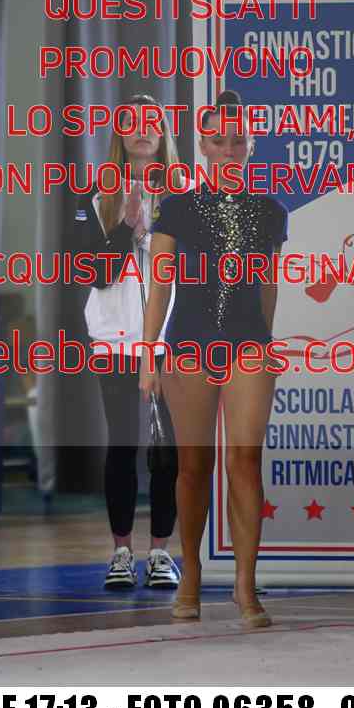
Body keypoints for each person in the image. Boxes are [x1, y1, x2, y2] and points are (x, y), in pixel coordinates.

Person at [139, 90, 288, 627]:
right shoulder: (177, 208)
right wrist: (149, 356)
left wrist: (263, 343)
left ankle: (246, 585)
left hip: (248, 345)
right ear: (202, 145)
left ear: (251, 146)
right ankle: (192, 574)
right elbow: (160, 286)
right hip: (189, 345)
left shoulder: (270, 211)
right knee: (194, 465)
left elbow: (267, 286)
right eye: (218, 141)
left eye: (237, 142)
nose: (228, 150)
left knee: (245, 461)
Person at [75, 93, 184, 590]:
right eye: (132, 122)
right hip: (115, 342)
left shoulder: (185, 193)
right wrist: (126, 225)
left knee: (168, 450)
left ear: (163, 133)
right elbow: (93, 273)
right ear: (119, 133)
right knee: (122, 444)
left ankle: (161, 552)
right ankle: (121, 552)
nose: (142, 130)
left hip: (170, 341)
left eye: (151, 122)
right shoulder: (96, 194)